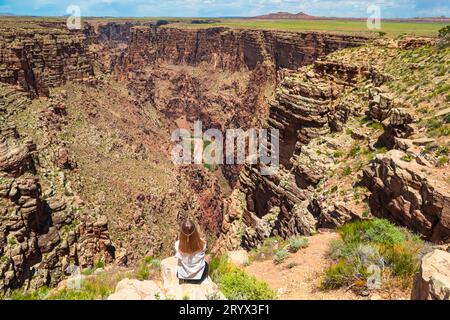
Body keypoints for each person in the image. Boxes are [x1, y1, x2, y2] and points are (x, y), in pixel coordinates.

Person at [175, 218, 210, 284]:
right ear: (195, 232)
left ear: (181, 232)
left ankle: (182, 282)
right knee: (207, 257)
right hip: (199, 277)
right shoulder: (203, 244)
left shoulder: (177, 245)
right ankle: (205, 279)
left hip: (183, 276)